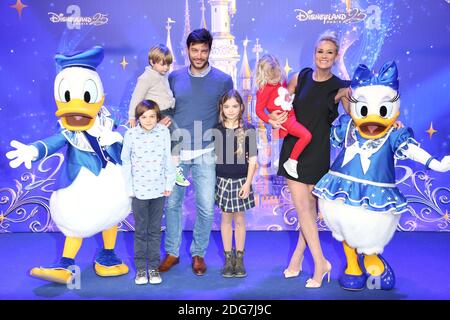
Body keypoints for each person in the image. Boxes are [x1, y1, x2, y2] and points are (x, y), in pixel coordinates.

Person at [273, 30, 351, 288]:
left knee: (310, 212)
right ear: (314, 54)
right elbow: (280, 103)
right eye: (320, 51)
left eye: (329, 52)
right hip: (293, 150)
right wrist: (275, 116)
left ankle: (297, 256)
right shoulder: (301, 76)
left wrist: (390, 123)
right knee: (303, 210)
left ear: (336, 56)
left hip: (318, 152)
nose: (324, 56)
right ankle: (320, 263)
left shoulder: (340, 87)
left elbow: (358, 118)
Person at [158, 28, 234, 276]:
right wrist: (165, 119)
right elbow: (165, 109)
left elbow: (229, 113)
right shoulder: (174, 78)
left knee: (204, 205)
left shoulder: (223, 80)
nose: (199, 55)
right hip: (177, 151)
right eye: (195, 50)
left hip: (207, 152)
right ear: (187, 50)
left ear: (209, 51)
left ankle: (198, 253)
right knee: (173, 204)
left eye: (204, 50)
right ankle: (172, 252)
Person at [121, 100, 176, 285]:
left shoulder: (163, 132)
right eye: (144, 117)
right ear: (138, 118)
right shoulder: (131, 134)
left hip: (159, 189)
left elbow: (167, 158)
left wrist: (169, 182)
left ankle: (153, 268)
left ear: (157, 117)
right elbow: (126, 162)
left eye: (152, 116)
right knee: (140, 231)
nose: (148, 120)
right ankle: (140, 270)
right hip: (139, 191)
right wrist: (130, 188)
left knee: (154, 231)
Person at [127, 44, 189, 187]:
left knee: (173, 139)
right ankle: (173, 171)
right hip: (159, 114)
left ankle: (169, 168)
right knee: (177, 136)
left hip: (170, 110)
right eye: (162, 64)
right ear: (152, 62)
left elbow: (165, 93)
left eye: (168, 64)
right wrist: (132, 117)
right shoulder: (146, 78)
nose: (166, 67)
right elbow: (136, 98)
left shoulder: (162, 75)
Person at [214, 90, 258, 278]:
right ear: (221, 108)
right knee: (225, 219)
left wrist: (248, 183)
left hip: (241, 181)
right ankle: (228, 258)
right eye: (226, 106)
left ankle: (239, 259)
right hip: (223, 180)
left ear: (241, 107)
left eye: (234, 106)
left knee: (239, 219)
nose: (230, 110)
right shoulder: (217, 129)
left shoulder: (249, 129)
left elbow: (253, 160)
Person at [255, 54, 312, 179]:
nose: (275, 80)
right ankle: (292, 162)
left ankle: (292, 161)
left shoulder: (282, 81)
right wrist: (271, 120)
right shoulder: (263, 90)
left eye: (277, 76)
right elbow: (258, 110)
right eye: (272, 78)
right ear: (263, 75)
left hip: (291, 115)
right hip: (284, 120)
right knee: (306, 136)